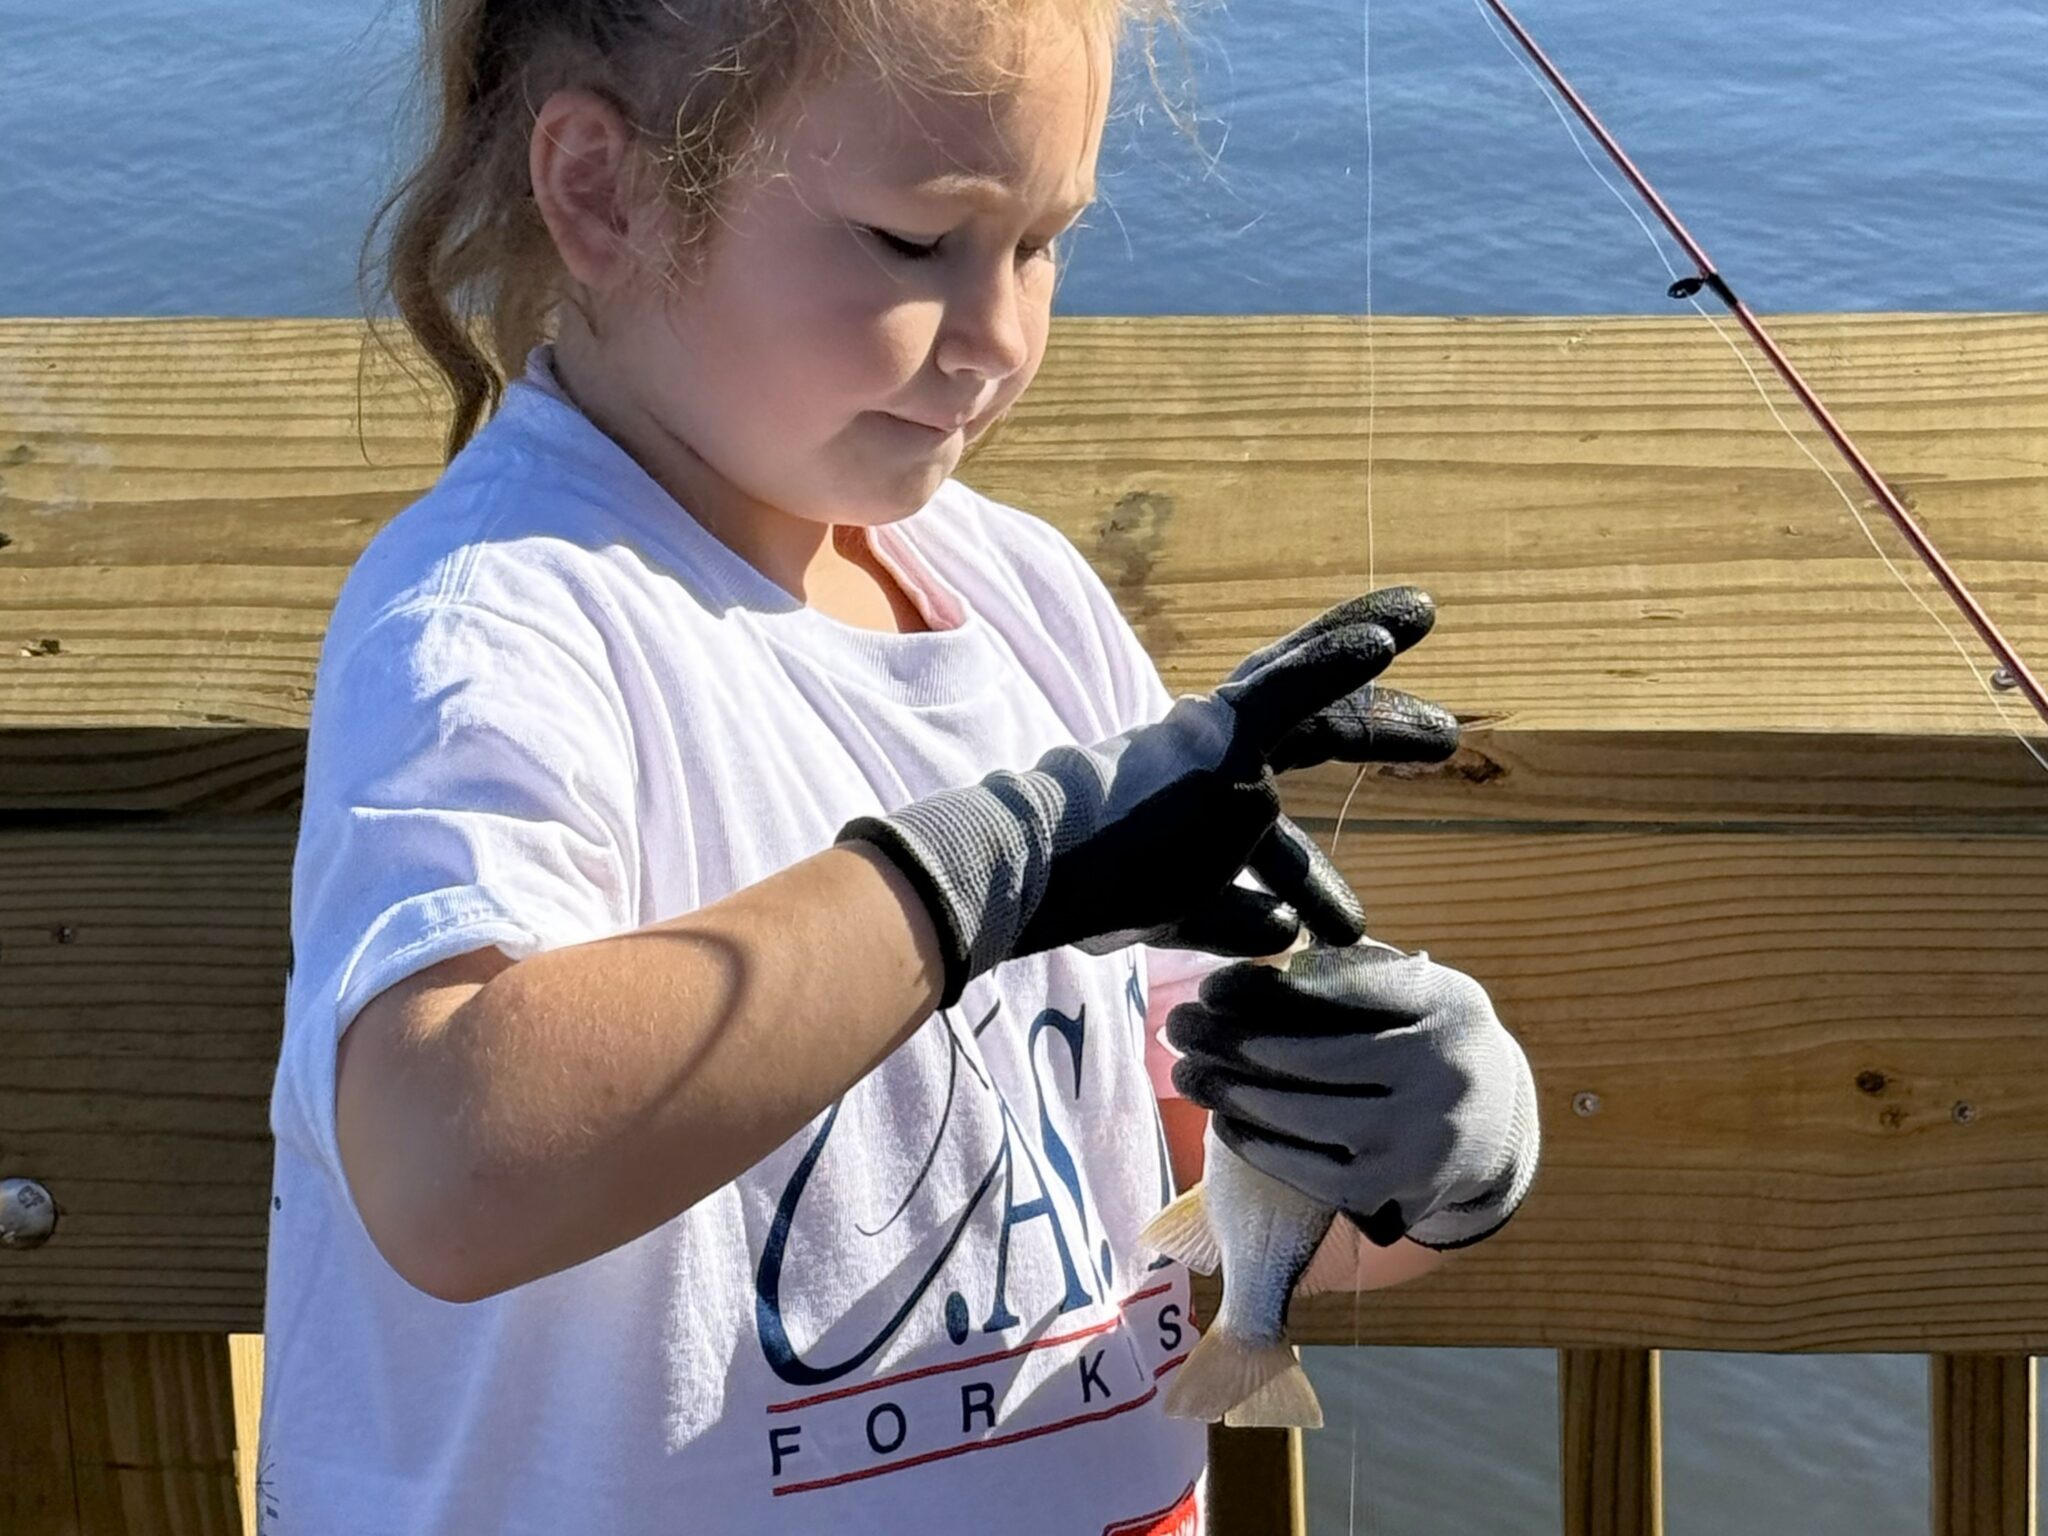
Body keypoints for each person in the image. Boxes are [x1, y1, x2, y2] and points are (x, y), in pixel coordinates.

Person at [257, 0, 1541, 1530]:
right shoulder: (498, 620)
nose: (998, 340)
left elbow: (1202, 1167)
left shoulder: (1032, 603)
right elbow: (448, 1168)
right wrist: (980, 881)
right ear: (602, 192)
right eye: (911, 244)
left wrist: (1424, 1150)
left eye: (1041, 244)